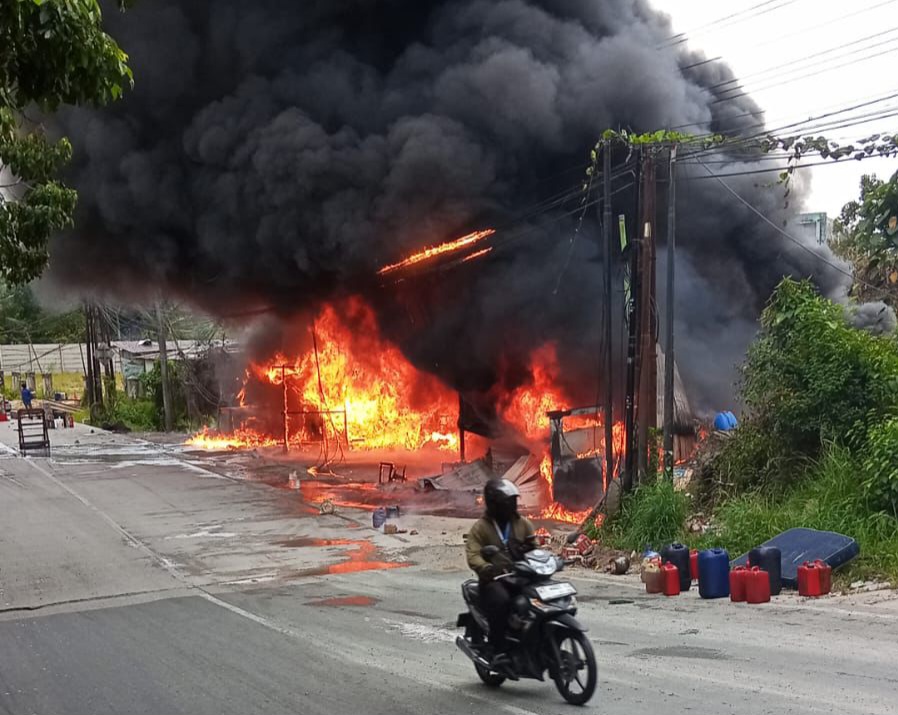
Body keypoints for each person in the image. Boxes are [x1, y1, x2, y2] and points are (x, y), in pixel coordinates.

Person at [465, 478, 536, 668]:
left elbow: (534, 549)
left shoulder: (523, 524)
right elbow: (472, 554)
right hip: (495, 580)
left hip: (520, 575)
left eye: (514, 501)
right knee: (501, 602)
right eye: (508, 502)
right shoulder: (481, 528)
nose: (512, 506)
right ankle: (497, 649)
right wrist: (486, 567)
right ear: (495, 505)